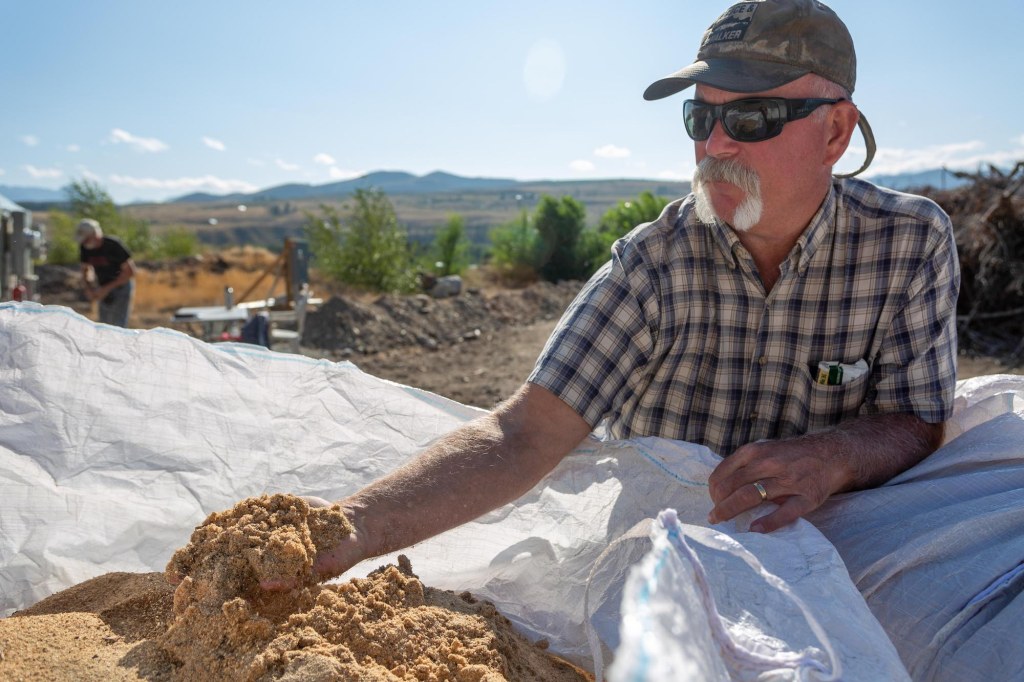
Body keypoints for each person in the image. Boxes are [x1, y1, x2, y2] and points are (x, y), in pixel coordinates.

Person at [275, 0, 960, 585]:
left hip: (830, 574)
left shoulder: (906, 244)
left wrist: (833, 455)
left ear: (835, 131)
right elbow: (523, 434)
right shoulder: (654, 265)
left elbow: (916, 418)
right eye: (700, 119)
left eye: (751, 118)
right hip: (656, 576)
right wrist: (342, 531)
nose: (714, 145)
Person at [77, 218, 137, 328]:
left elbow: (130, 272)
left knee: (118, 325)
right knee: (104, 324)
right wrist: (88, 288)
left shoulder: (113, 245)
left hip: (121, 286)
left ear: (95, 234)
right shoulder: (85, 247)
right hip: (102, 286)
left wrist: (106, 289)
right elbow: (85, 269)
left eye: (87, 239)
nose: (84, 243)